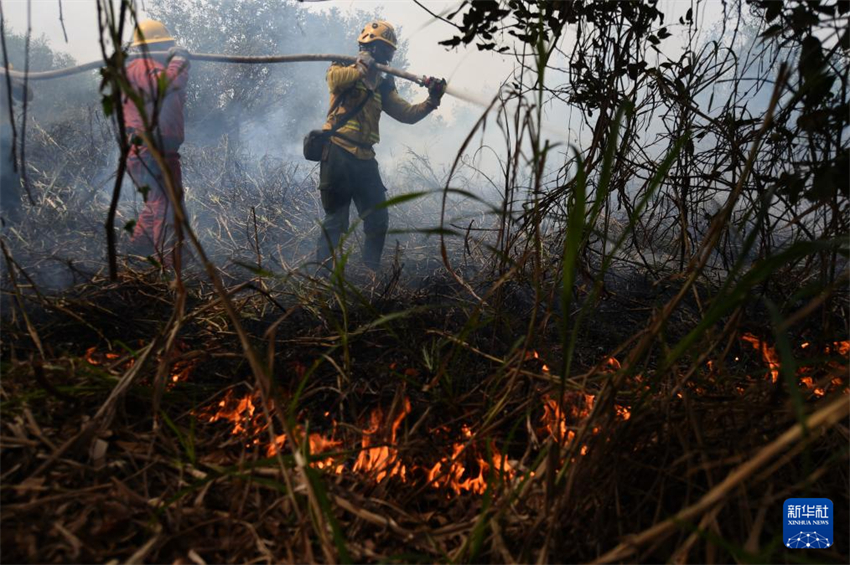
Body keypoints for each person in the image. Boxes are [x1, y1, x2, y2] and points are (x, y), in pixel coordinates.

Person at [316, 20, 446, 273]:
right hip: (338, 153)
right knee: (336, 221)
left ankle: (369, 275)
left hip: (365, 159)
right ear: (370, 46)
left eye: (391, 51)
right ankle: (320, 277)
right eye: (384, 49)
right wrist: (361, 69)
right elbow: (334, 81)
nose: (388, 55)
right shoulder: (343, 65)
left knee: (378, 219)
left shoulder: (384, 83)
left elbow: (406, 113)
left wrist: (432, 99)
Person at [123, 19, 190, 267]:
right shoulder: (140, 66)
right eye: (164, 45)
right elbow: (165, 86)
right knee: (166, 206)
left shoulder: (149, 67)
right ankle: (171, 270)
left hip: (158, 150)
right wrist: (180, 61)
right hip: (151, 150)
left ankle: (133, 253)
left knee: (156, 205)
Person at [0, 63, 33, 226]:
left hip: (2, 131)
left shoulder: (4, 71)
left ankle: (13, 216)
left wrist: (12, 81)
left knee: (7, 173)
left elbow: (27, 96)